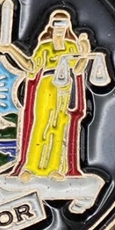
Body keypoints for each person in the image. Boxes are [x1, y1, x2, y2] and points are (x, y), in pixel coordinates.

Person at [18, 10, 91, 179]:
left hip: (64, 87)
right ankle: (31, 167)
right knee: (42, 123)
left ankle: (56, 168)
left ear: (68, 27)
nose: (59, 28)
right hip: (47, 85)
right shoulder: (45, 47)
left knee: (60, 123)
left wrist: (85, 54)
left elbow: (78, 69)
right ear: (51, 26)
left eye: (63, 24)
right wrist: (11, 50)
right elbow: (31, 67)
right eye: (56, 24)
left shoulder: (71, 46)